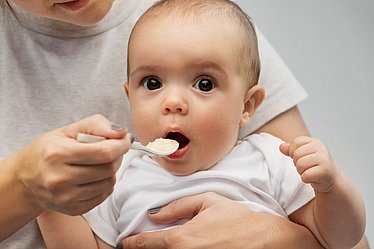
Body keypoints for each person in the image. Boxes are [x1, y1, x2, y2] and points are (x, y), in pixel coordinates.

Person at [0, 0, 369, 249]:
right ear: (129, 97)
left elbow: (342, 239)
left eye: (204, 84)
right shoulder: (120, 178)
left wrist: (330, 186)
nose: (172, 102)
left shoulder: (271, 160)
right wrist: (47, 202)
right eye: (152, 84)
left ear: (248, 106)